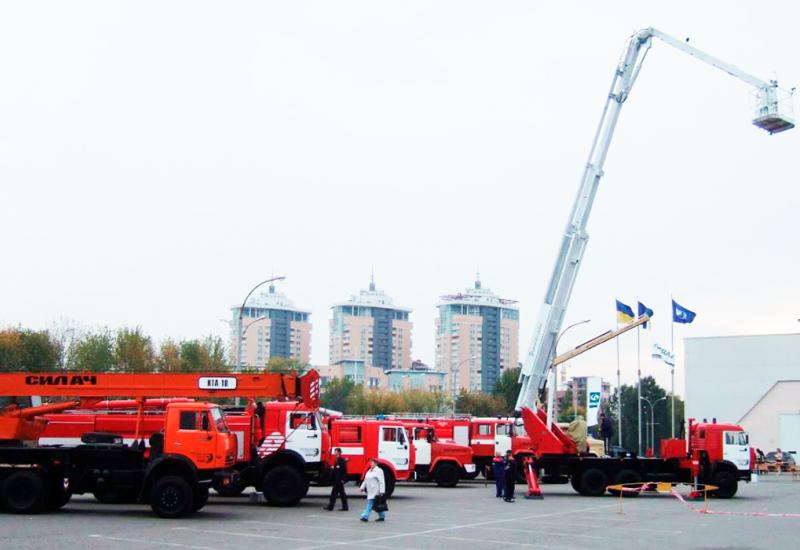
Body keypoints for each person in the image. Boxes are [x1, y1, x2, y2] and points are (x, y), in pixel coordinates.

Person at [359, 458, 386, 522]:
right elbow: (366, 479)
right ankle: (382, 516)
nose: (370, 464)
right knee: (376, 504)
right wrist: (362, 487)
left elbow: (381, 481)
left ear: (376, 464)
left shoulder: (379, 471)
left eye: (372, 463)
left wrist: (382, 491)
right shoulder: (370, 470)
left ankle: (365, 516)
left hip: (375, 490)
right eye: (370, 463)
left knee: (370, 503)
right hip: (370, 490)